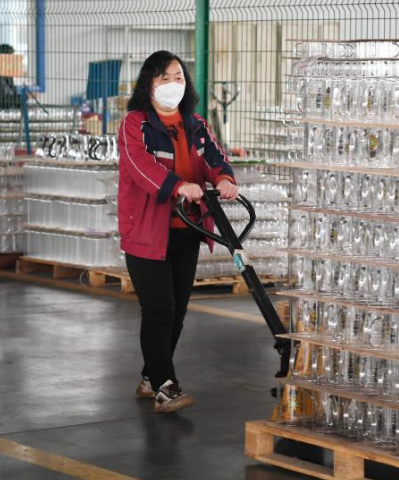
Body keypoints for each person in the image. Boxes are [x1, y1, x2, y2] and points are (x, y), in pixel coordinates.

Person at [118, 50, 237, 413]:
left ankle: (151, 375)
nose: (174, 84)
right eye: (164, 77)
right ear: (148, 83)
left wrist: (225, 179)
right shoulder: (135, 124)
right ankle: (165, 386)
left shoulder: (195, 124)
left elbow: (214, 158)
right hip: (146, 230)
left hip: (186, 229)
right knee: (159, 309)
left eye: (179, 77)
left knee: (178, 310)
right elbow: (140, 168)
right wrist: (178, 185)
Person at [0, 44, 21, 110]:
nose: (13, 60)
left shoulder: (7, 73)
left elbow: (12, 92)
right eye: (11, 57)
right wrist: (25, 97)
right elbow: (4, 100)